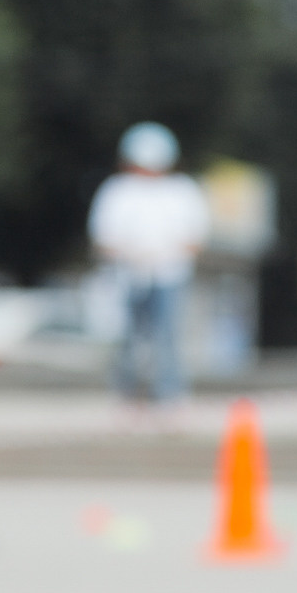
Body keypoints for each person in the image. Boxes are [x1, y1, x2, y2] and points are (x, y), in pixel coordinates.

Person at [89, 122, 210, 417]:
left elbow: (196, 238)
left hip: (170, 275)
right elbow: (103, 238)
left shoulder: (182, 191)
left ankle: (169, 394)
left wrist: (164, 254)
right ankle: (127, 395)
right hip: (128, 276)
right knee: (128, 338)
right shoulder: (117, 190)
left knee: (168, 336)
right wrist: (132, 255)